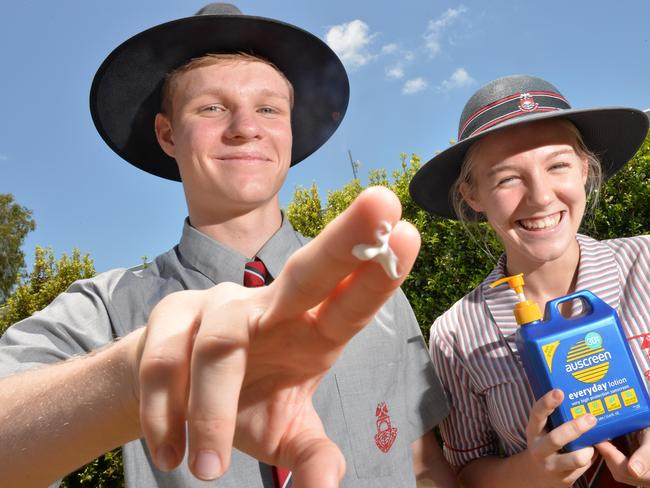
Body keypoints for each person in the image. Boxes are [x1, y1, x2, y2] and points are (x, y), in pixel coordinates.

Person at [0, 4, 456, 488]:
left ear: (289, 130)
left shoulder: (375, 285)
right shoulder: (107, 308)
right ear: (168, 133)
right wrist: (130, 376)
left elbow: (424, 466)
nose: (244, 126)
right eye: (212, 107)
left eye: (267, 108)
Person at [409, 74, 650, 487]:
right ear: (472, 195)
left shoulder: (645, 262)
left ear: (585, 169)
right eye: (506, 178)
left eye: (557, 165)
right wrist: (531, 472)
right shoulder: (456, 334)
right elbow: (467, 469)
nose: (540, 197)